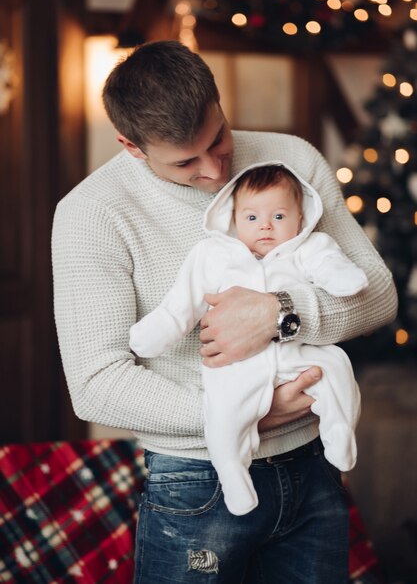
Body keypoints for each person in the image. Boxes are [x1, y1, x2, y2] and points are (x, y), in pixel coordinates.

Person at [52, 40, 397, 583]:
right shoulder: (89, 214)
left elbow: (377, 293)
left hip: (313, 467)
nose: (215, 170)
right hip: (195, 482)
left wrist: (280, 312)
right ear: (131, 146)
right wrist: (250, 412)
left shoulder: (294, 161)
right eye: (186, 161)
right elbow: (96, 383)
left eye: (219, 138)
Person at [129, 162, 366, 517]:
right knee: (223, 410)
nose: (266, 226)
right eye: (252, 218)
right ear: (234, 219)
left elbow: (334, 269)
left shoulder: (309, 247)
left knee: (336, 368)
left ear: (300, 219)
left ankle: (340, 433)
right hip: (237, 363)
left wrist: (343, 277)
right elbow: (181, 304)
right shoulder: (214, 255)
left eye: (280, 216)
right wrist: (155, 333)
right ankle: (232, 472)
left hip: (295, 351)